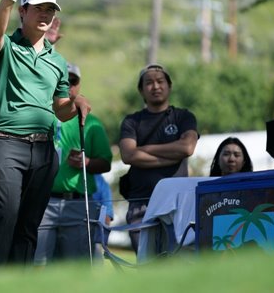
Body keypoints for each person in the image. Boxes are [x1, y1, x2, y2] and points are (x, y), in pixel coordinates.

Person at [0, 0, 91, 266]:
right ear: (23, 11)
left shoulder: (57, 62)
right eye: (39, 9)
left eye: (50, 11)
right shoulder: (6, 47)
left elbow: (61, 111)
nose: (46, 16)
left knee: (29, 225)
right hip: (7, 145)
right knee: (5, 216)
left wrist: (77, 103)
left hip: (44, 151)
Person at [34, 63, 112, 265]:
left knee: (78, 269)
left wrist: (86, 162)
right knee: (38, 266)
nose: (68, 85)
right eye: (62, 81)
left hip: (78, 203)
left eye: (73, 81)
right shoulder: (40, 116)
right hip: (42, 201)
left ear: (79, 85)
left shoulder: (91, 122)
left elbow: (106, 163)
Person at [118, 64, 199, 253]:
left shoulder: (183, 117)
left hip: (178, 203)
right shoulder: (132, 121)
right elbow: (128, 155)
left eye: (160, 81)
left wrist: (145, 148)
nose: (155, 86)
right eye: (149, 83)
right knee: (145, 264)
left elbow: (187, 147)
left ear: (169, 86)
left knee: (178, 263)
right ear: (141, 90)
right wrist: (170, 157)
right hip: (141, 203)